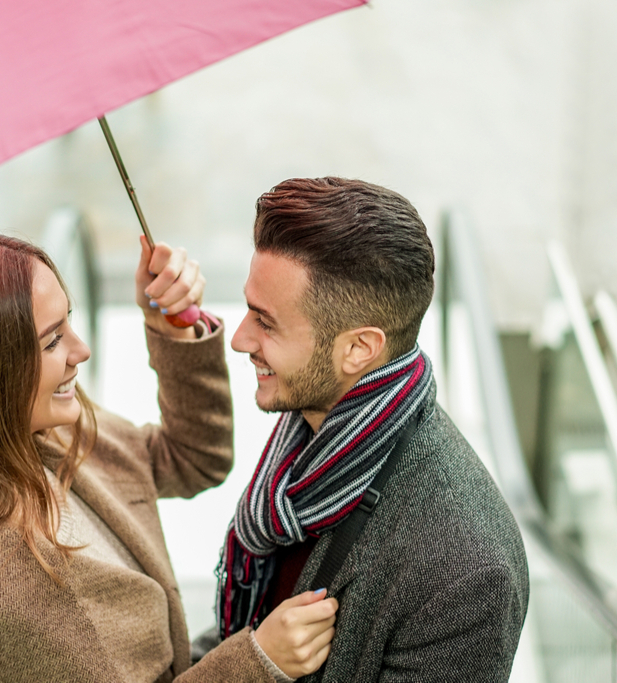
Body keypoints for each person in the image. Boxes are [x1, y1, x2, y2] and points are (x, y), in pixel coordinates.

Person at [0, 232, 337, 683]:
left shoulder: (46, 439)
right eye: (52, 341)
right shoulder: (2, 583)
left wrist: (168, 324)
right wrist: (257, 663)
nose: (81, 350)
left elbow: (194, 458)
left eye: (69, 320)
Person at [212, 178, 529, 682]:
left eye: (265, 323)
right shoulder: (306, 439)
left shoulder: (466, 572)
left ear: (359, 349)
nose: (239, 339)